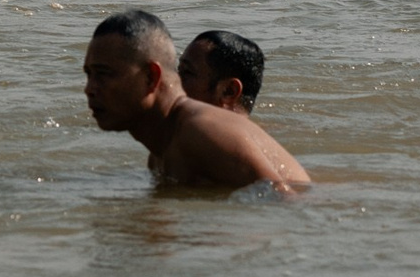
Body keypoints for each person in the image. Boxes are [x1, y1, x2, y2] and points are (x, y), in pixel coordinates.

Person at [83, 10, 308, 190]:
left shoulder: (203, 133)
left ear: (152, 77)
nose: (89, 89)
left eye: (104, 74)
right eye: (88, 74)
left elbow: (288, 203)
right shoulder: (160, 150)